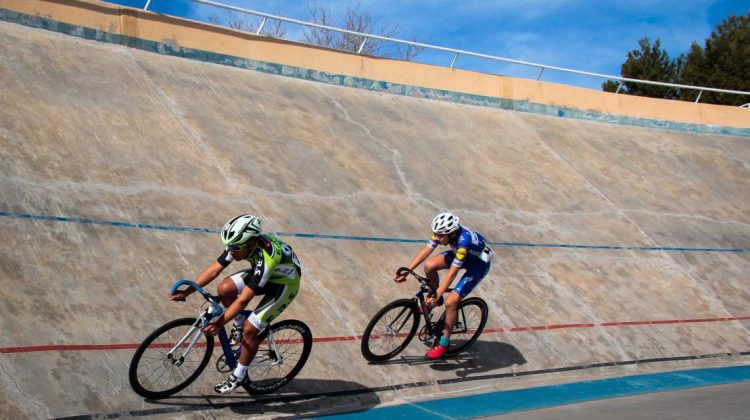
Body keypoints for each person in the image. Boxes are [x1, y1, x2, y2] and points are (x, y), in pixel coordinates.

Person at [168, 214, 302, 394]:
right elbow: (215, 269)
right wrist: (188, 291)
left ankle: (239, 375)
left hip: (284, 284)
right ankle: (237, 326)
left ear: (250, 243)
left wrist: (220, 322)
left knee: (251, 328)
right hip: (266, 275)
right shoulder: (239, 244)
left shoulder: (267, 258)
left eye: (236, 248)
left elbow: (243, 300)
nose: (232, 251)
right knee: (224, 289)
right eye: (229, 247)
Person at [394, 212, 493, 359]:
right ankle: (435, 300)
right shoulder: (444, 233)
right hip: (463, 255)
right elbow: (425, 251)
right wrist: (408, 271)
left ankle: (444, 344)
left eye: (440, 236)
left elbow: (452, 274)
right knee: (429, 266)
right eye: (435, 234)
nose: (437, 238)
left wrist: (437, 294)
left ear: (452, 233)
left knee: (451, 302)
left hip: (477, 266)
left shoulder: (463, 242)